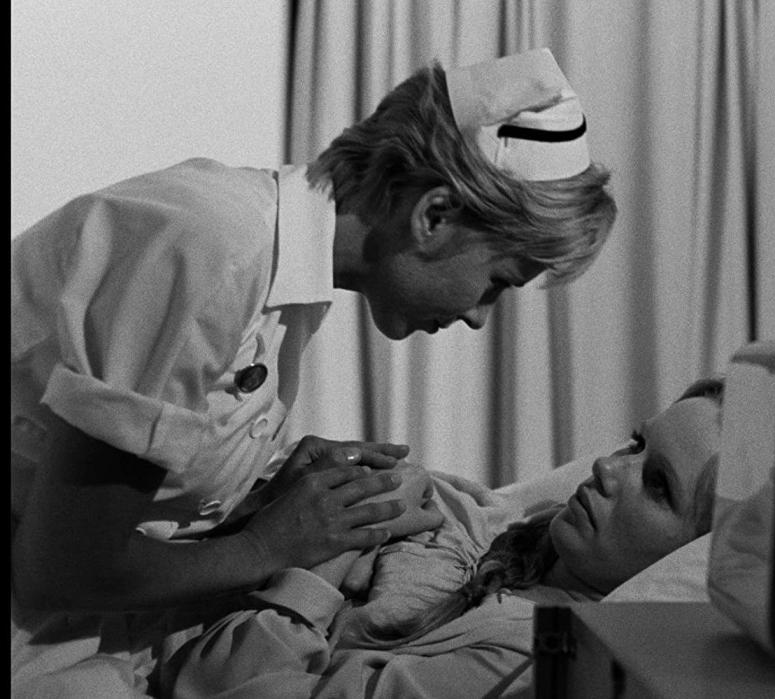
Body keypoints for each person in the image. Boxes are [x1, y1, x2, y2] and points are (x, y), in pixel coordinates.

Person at [9, 47, 617, 698]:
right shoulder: (215, 249)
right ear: (434, 216)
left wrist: (260, 501)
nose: (477, 316)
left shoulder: (278, 276)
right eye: (497, 282)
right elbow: (63, 566)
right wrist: (266, 546)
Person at [161, 378, 724, 699]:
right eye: (635, 444)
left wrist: (332, 554)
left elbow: (216, 686)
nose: (607, 466)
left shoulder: (529, 659)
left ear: (690, 560)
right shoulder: (491, 519)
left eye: (658, 485)